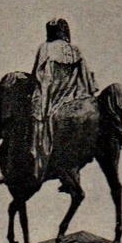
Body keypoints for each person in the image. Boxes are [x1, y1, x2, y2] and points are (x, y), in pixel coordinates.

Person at [29, 18, 98, 183]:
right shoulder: (75, 51)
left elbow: (39, 77)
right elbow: (88, 80)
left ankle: (34, 166)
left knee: (34, 122)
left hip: (51, 98)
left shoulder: (46, 48)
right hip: (72, 98)